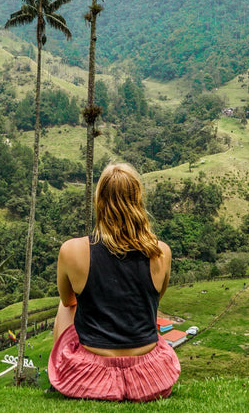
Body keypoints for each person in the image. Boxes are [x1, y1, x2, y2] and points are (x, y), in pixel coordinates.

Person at [48, 163, 180, 402]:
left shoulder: (72, 250)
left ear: (100, 203)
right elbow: (154, 301)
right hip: (149, 378)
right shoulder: (162, 252)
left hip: (89, 376)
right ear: (138, 200)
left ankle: (60, 374)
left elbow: (68, 300)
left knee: (65, 305)